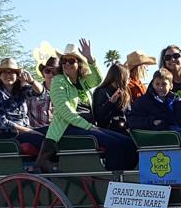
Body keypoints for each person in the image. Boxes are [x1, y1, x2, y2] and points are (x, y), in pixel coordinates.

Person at [41, 41, 137, 172]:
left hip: (88, 128)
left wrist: (90, 59)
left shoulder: (82, 82)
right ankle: (114, 181)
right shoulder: (58, 81)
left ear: (79, 63)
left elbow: (97, 79)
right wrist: (89, 127)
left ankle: (128, 179)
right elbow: (65, 111)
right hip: (68, 129)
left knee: (128, 142)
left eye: (71, 61)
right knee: (114, 144)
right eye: (64, 61)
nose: (66, 64)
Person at [0, 57, 46, 149]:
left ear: (17, 75)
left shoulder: (21, 89)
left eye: (11, 72)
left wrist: (31, 81)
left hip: (26, 130)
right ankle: (44, 162)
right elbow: (1, 123)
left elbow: (39, 92)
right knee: (42, 140)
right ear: (0, 75)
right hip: (8, 135)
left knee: (51, 134)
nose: (8, 75)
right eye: (4, 72)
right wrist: (29, 131)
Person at [92, 63, 132, 133]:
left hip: (124, 130)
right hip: (107, 131)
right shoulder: (101, 92)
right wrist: (110, 102)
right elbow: (98, 117)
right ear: (122, 77)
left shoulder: (124, 93)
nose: (129, 80)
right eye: (128, 77)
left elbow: (129, 114)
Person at [28, 56, 59, 128]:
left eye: (55, 72)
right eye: (48, 71)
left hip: (57, 133)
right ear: (43, 73)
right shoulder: (30, 90)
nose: (51, 74)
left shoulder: (66, 93)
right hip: (36, 132)